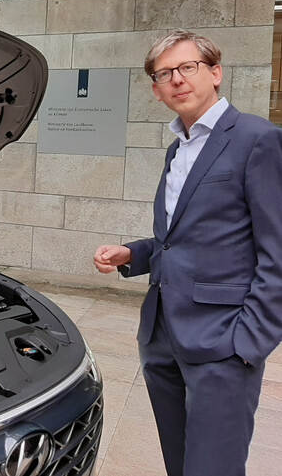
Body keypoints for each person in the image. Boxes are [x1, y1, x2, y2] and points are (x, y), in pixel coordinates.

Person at [93, 29, 282, 476]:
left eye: (187, 67)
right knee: (180, 464)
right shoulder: (178, 149)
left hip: (222, 345)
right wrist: (133, 254)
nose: (176, 79)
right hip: (162, 336)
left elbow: (278, 251)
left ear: (215, 73)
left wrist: (247, 345)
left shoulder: (258, 139)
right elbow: (180, 238)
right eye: (164, 74)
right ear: (157, 92)